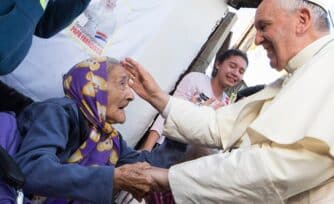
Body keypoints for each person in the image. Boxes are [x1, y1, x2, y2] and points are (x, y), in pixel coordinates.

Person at [121, 0, 334, 202]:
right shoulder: (295, 77)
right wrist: (157, 97)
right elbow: (219, 125)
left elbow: (279, 168)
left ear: (302, 20)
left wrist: (169, 178)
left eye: (264, 26)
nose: (258, 40)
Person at [13, 57, 169, 203]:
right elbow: (32, 169)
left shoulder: (109, 138)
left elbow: (149, 167)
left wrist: (188, 132)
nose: (130, 95)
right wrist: (112, 179)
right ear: (95, 86)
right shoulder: (58, 112)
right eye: (122, 83)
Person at [142, 49, 248, 153]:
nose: (235, 73)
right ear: (218, 64)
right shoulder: (195, 80)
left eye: (241, 71)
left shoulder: (226, 103)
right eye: (232, 66)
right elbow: (167, 111)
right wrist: (147, 149)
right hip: (163, 148)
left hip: (186, 161)